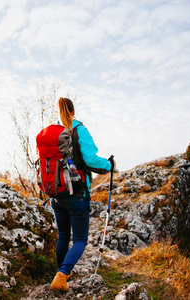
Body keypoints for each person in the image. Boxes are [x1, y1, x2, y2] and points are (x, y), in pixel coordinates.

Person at [49, 97, 113, 292]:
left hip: (56, 194)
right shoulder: (79, 130)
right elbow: (91, 159)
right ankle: (62, 275)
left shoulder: (53, 133)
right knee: (80, 240)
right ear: (73, 111)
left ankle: (62, 271)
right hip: (77, 193)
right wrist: (109, 165)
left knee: (62, 235)